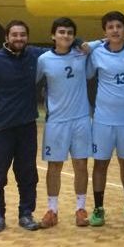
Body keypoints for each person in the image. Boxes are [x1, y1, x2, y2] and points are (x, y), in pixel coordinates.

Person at [0, 20, 60, 233]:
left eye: (23, 35)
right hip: (0, 129)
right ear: (6, 38)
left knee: (27, 173)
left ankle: (25, 213)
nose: (19, 38)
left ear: (27, 38)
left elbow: (61, 46)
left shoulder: (34, 55)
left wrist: (78, 41)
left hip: (26, 127)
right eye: (15, 35)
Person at [35, 18, 97, 229]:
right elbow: (31, 83)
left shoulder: (81, 52)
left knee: (81, 165)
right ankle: (52, 210)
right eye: (61, 32)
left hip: (81, 119)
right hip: (56, 122)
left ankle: (81, 208)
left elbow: (110, 40)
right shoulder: (43, 60)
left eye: (70, 32)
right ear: (53, 35)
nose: (66, 36)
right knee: (54, 166)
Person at [88, 11, 124, 227]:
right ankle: (98, 208)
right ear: (105, 31)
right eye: (110, 27)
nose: (115, 31)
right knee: (100, 163)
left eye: (119, 27)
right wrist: (97, 43)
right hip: (102, 119)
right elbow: (84, 53)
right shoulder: (97, 53)